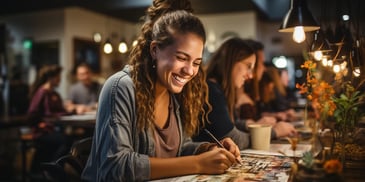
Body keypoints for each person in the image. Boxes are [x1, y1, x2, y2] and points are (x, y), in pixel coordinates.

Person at [81, 0, 241, 181]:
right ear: (155, 49)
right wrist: (198, 163)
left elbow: (177, 150)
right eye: (181, 58)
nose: (190, 71)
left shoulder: (173, 94)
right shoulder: (121, 87)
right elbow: (115, 167)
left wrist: (208, 149)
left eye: (196, 62)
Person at [193, 37, 253, 150]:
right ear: (232, 61)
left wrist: (246, 125)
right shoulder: (211, 90)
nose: (250, 75)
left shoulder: (218, 89)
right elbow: (232, 137)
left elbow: (226, 123)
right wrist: (272, 133)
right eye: (248, 66)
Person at [236, 39, 297, 138]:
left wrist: (273, 116)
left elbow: (255, 117)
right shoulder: (236, 91)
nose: (264, 69)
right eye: (261, 63)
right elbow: (231, 132)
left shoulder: (250, 91)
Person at [27, 64, 72, 174]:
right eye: (58, 76)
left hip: (53, 129)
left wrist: (73, 111)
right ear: (50, 78)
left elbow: (59, 111)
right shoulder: (42, 92)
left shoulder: (54, 93)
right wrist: (39, 123)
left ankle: (52, 169)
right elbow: (32, 114)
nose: (60, 79)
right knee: (67, 140)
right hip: (42, 131)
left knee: (68, 139)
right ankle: (53, 169)